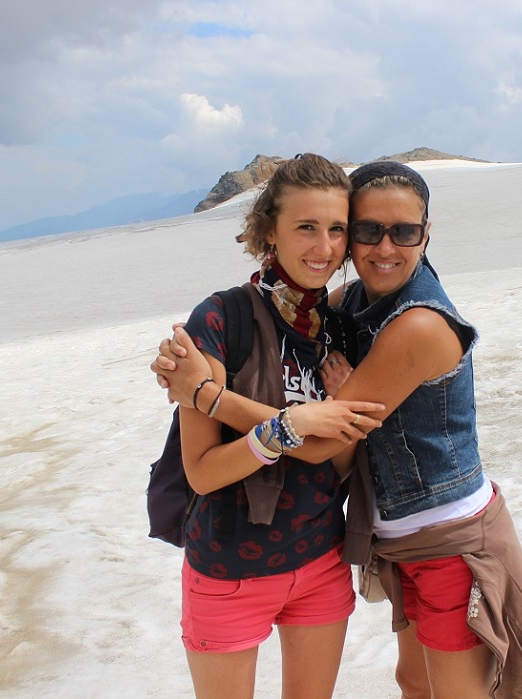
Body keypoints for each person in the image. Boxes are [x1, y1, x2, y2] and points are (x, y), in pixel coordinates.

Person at [155, 161, 522, 698]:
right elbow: (210, 467)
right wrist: (203, 375)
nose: (382, 247)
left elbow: (324, 447)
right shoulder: (332, 308)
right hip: (365, 544)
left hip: (441, 540)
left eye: (403, 232)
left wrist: (211, 397)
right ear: (270, 229)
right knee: (414, 682)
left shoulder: (409, 323)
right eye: (367, 230)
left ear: (426, 234)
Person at [164, 152, 385, 699]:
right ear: (269, 231)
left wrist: (333, 413)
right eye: (306, 227)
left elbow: (336, 462)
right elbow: (203, 472)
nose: (324, 247)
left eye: (336, 229)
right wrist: (288, 426)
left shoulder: (336, 329)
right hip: (228, 571)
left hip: (320, 561)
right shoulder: (220, 319)